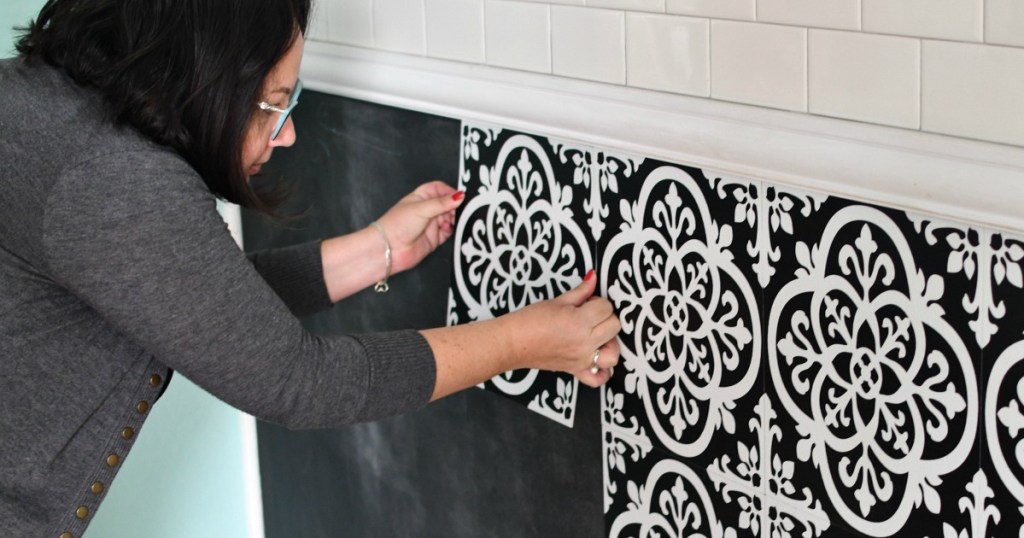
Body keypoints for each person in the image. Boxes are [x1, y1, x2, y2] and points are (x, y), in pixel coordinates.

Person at [0, 0, 621, 535]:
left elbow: (193, 303)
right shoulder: (112, 180)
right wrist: (521, 340)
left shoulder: (41, 105)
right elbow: (300, 382)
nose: (289, 134)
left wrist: (377, 249)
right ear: (203, 74)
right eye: (273, 104)